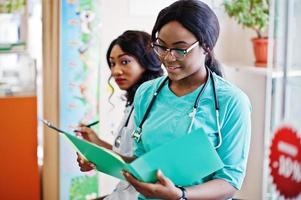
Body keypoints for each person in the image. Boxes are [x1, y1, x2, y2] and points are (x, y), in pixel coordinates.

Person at [122, 1, 252, 199]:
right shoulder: (146, 93)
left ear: (207, 47)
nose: (168, 57)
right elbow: (142, 162)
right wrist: (102, 160)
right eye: (161, 47)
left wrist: (180, 195)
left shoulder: (232, 101)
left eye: (180, 49)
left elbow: (230, 180)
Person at [76, 30, 163, 200]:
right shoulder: (132, 102)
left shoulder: (157, 105)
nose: (115, 71)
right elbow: (125, 158)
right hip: (123, 192)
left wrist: (96, 157)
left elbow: (141, 166)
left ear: (146, 61)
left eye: (124, 62)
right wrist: (95, 143)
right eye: (112, 63)